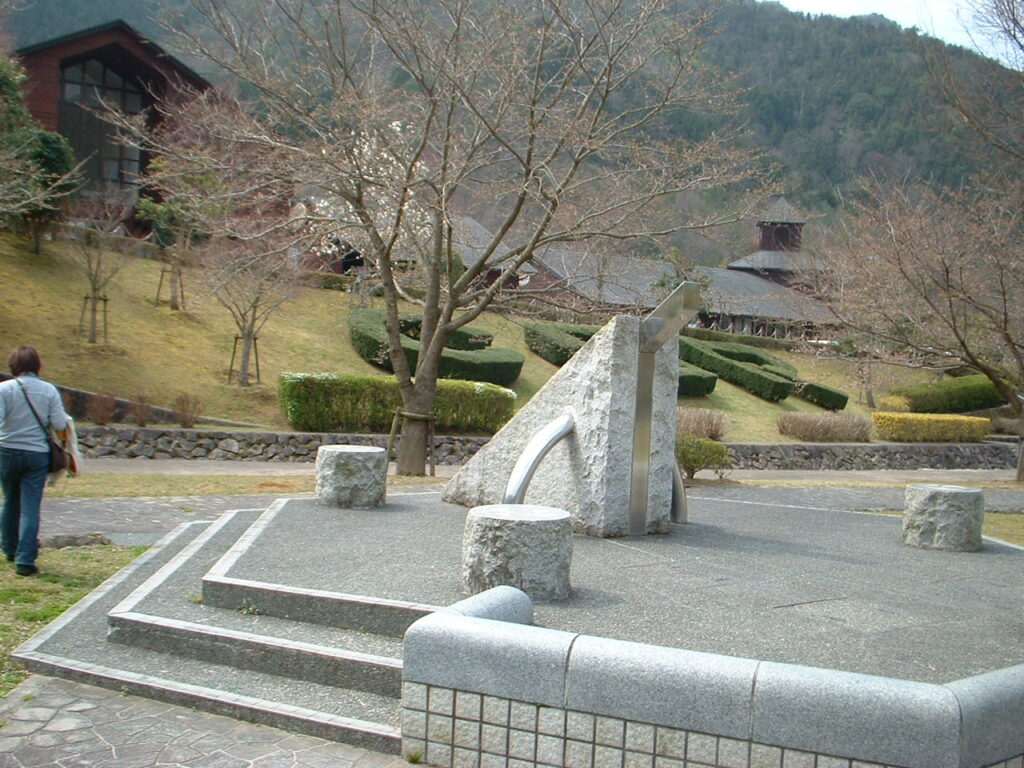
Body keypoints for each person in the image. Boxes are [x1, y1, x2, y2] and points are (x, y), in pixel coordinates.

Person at [0, 345, 69, 576]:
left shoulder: (4, 389)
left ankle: (9, 548)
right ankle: (25, 559)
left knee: (10, 500)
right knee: (30, 508)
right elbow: (60, 424)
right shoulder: (49, 390)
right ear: (37, 364)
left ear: (13, 365)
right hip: (37, 453)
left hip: (7, 451)